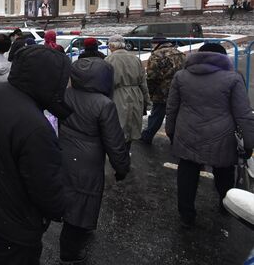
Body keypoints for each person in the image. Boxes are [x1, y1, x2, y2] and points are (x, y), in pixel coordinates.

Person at [0, 45, 72, 265]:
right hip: (19, 218)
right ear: (47, 79)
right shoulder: (35, 127)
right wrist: (59, 209)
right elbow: (44, 185)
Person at [166, 43, 254, 227]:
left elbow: (172, 107)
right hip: (221, 136)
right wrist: (249, 142)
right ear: (223, 58)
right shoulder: (233, 78)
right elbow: (243, 114)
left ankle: (186, 214)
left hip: (187, 133)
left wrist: (171, 131)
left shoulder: (181, 76)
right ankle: (227, 205)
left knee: (187, 173)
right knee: (224, 171)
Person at [58, 58, 130, 263]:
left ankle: (72, 239)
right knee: (82, 202)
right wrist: (122, 167)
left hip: (64, 151)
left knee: (68, 194)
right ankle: (70, 253)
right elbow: (114, 142)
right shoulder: (104, 104)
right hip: (88, 160)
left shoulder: (65, 94)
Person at [105, 35, 150, 148]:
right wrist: (147, 101)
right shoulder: (135, 58)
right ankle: (127, 151)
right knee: (132, 126)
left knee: (119, 126)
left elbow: (105, 82)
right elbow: (143, 82)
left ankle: (120, 156)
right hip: (136, 94)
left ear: (112, 45)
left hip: (117, 95)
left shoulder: (109, 60)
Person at [140, 35, 185, 145]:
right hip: (180, 89)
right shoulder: (179, 52)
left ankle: (147, 136)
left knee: (157, 114)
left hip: (163, 91)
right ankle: (177, 140)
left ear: (156, 44)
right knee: (176, 115)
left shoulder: (157, 55)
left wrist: (150, 92)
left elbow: (152, 77)